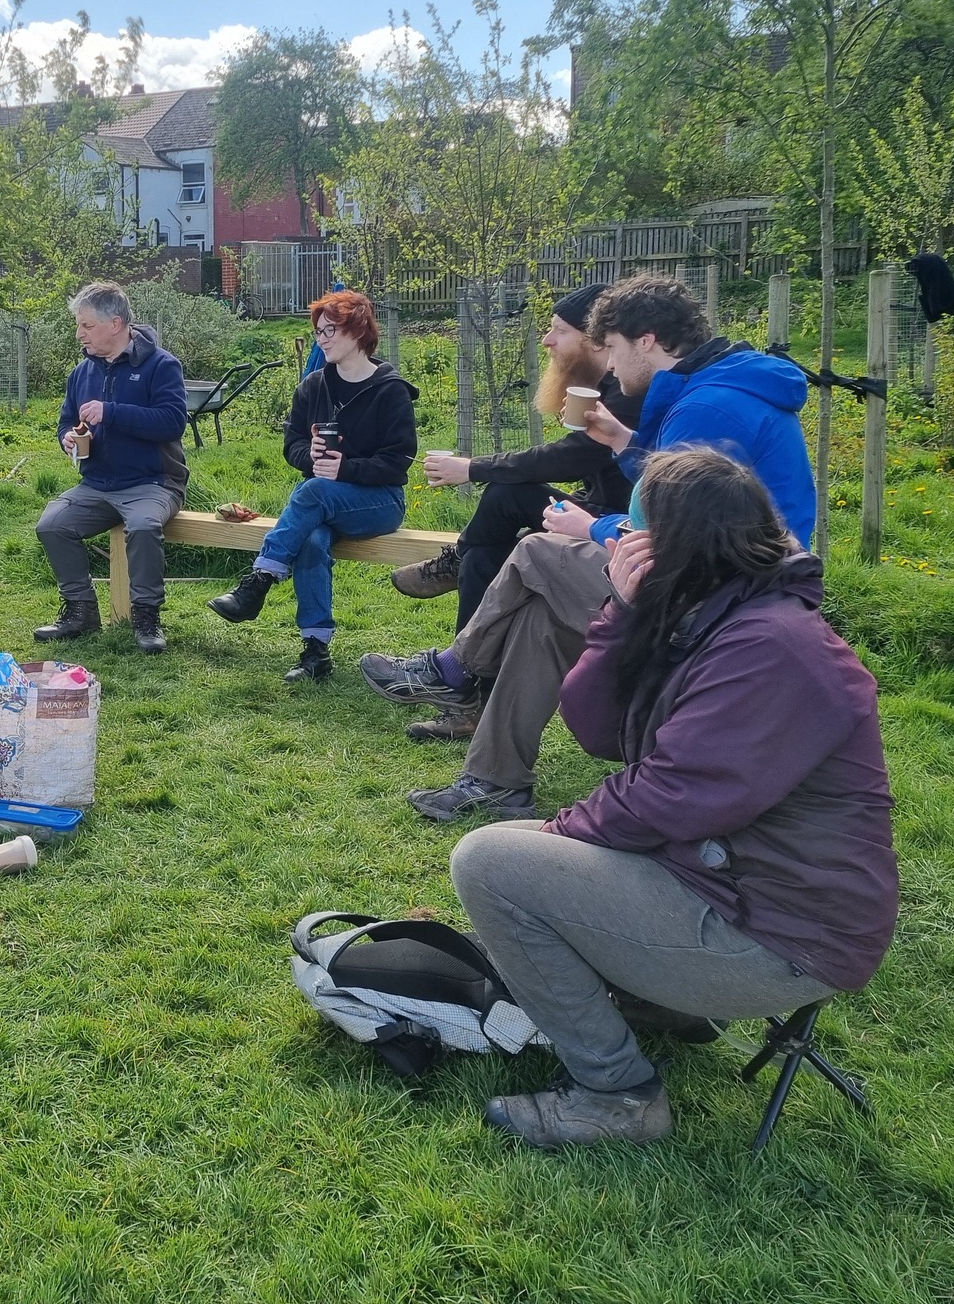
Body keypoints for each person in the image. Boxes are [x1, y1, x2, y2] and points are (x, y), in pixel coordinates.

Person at [450, 449, 897, 1148]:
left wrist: (559, 830)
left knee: (488, 861)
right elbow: (600, 731)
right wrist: (623, 613)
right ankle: (660, 1003)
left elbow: (670, 796)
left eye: (634, 529)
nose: (620, 542)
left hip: (775, 935)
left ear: (675, 545)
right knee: (530, 852)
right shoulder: (717, 616)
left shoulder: (772, 647)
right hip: (733, 883)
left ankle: (617, 1094)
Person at [360, 274, 818, 821]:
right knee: (538, 620)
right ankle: (496, 782)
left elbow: (663, 535)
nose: (611, 365)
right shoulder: (711, 389)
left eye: (613, 348)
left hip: (728, 595)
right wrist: (623, 442)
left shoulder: (709, 408)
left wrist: (590, 530)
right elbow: (679, 491)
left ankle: (456, 669)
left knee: (539, 551)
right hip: (716, 573)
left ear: (646, 340)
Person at [388, 281, 641, 692]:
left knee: (505, 498)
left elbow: (568, 458)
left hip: (622, 533)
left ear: (596, 341)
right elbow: (587, 467)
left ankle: (462, 681)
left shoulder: (628, 393)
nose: (547, 340)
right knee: (483, 559)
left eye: (560, 330)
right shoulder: (607, 388)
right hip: (603, 515)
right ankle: (467, 692)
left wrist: (472, 467)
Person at [206, 290, 417, 682]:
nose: (322, 339)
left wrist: (346, 468)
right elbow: (292, 446)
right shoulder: (312, 386)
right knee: (311, 539)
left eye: (330, 331)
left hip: (379, 501)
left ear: (358, 332)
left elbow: (400, 460)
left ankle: (259, 581)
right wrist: (311, 454)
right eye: (318, 332)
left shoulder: (390, 390)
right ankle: (316, 651)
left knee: (311, 493)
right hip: (321, 504)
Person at [32, 281, 190, 655]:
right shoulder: (81, 373)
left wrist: (112, 413)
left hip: (154, 482)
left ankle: (147, 617)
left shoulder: (161, 365)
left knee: (143, 525)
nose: (79, 334)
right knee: (51, 525)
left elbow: (172, 422)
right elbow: (65, 422)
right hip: (97, 485)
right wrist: (67, 439)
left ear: (115, 323)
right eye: (79, 325)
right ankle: (81, 612)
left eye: (86, 326)